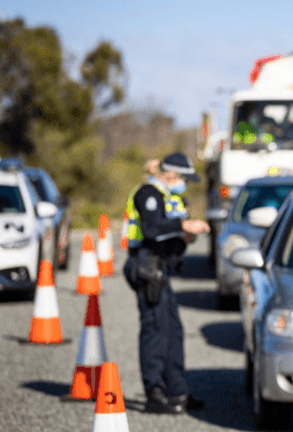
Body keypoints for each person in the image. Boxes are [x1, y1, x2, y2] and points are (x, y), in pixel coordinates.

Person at [122, 152, 210, 414]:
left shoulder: (168, 195)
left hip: (163, 269)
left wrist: (184, 235)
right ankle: (155, 393)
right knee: (156, 330)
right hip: (147, 267)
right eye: (183, 178)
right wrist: (185, 225)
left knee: (173, 331)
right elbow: (152, 229)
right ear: (172, 174)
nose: (184, 183)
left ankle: (177, 390)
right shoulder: (148, 193)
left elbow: (170, 230)